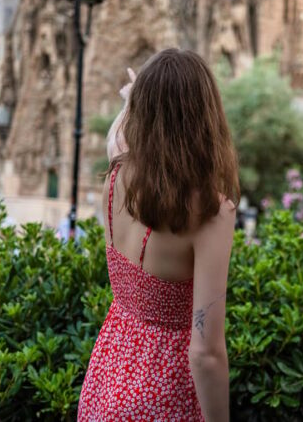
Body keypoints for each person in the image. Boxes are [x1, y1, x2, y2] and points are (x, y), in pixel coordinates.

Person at [78, 49, 238, 422]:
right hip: (163, 396)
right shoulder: (211, 213)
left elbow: (118, 139)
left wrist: (135, 100)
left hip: (105, 380)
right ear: (205, 115)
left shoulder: (116, 180)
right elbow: (206, 352)